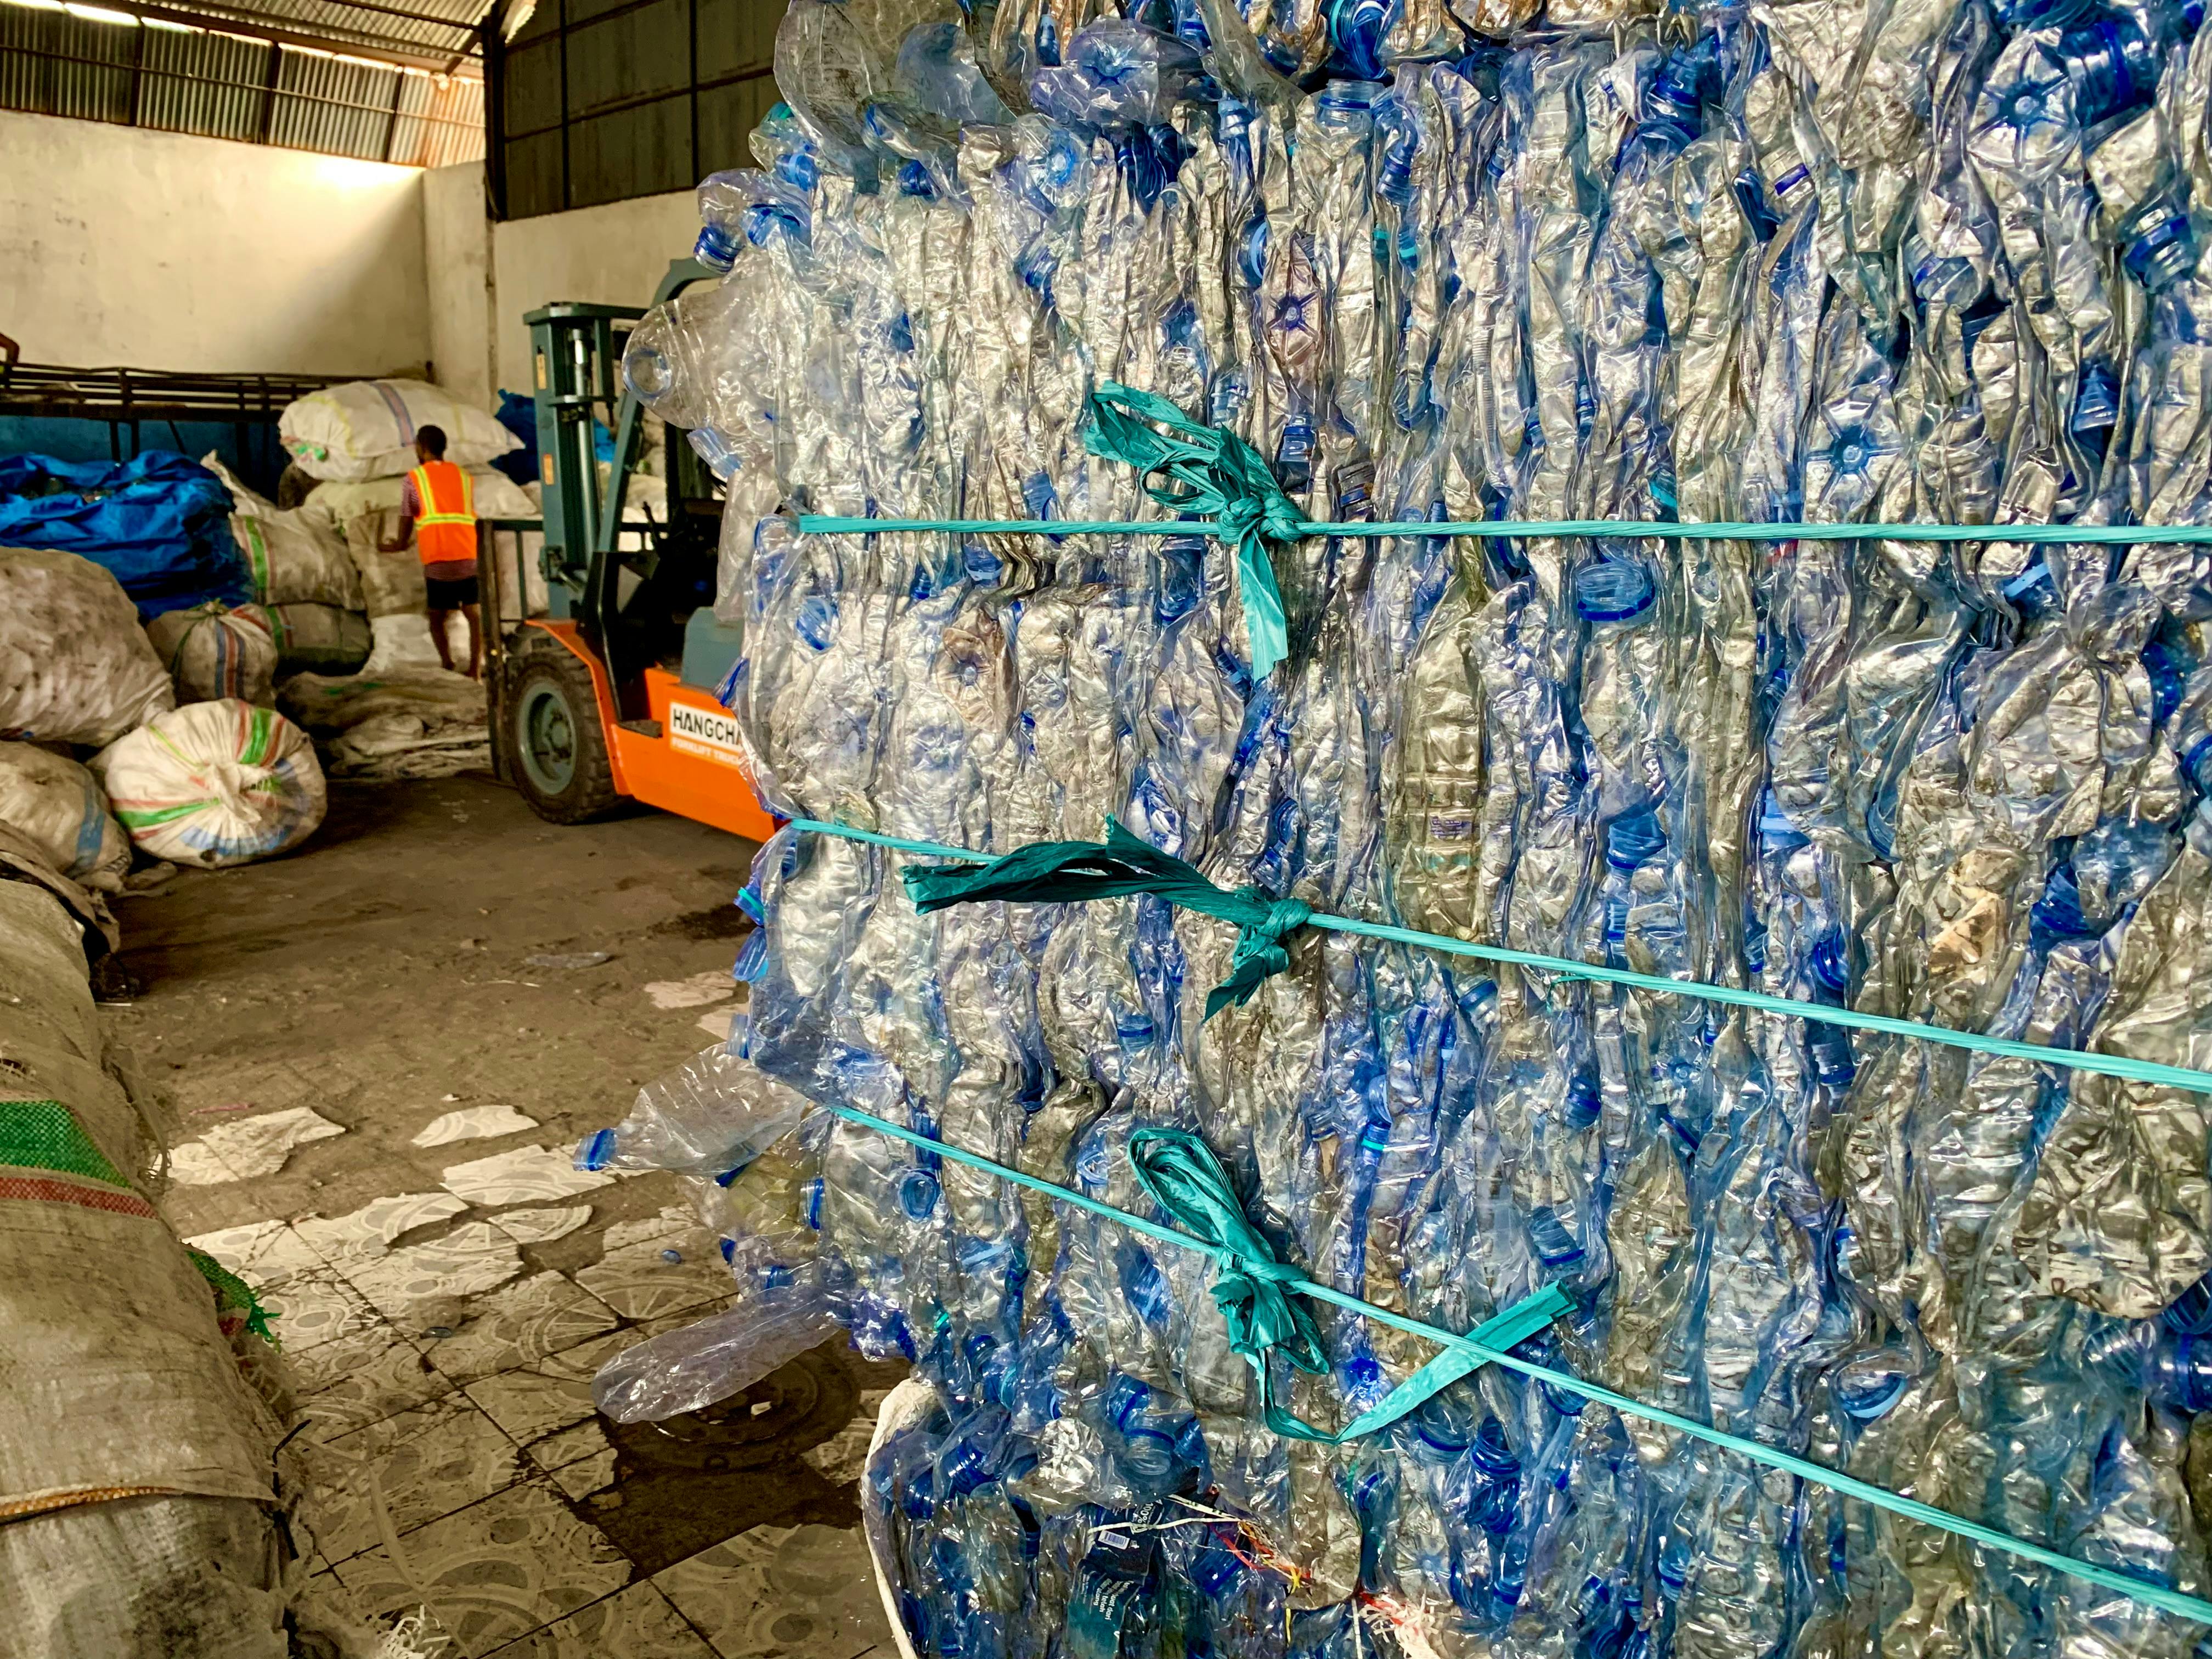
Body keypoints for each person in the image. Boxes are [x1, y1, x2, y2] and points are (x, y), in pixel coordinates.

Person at [379, 424, 481, 678]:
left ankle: (447, 662)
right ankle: (476, 671)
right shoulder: (464, 475)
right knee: (473, 614)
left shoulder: (415, 478)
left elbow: (407, 516)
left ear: (422, 448)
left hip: (438, 556)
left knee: (436, 615)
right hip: (468, 553)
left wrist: (398, 544)